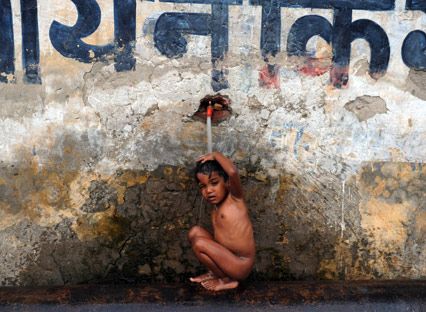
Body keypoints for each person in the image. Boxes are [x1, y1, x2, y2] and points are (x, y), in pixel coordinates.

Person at [188, 152, 256, 291]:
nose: (209, 191)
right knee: (195, 232)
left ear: (226, 182)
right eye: (203, 186)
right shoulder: (216, 207)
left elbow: (232, 171)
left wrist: (215, 155)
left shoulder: (236, 199)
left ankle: (226, 280)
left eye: (214, 183)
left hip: (240, 264)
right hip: (227, 258)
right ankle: (215, 273)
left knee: (199, 243)